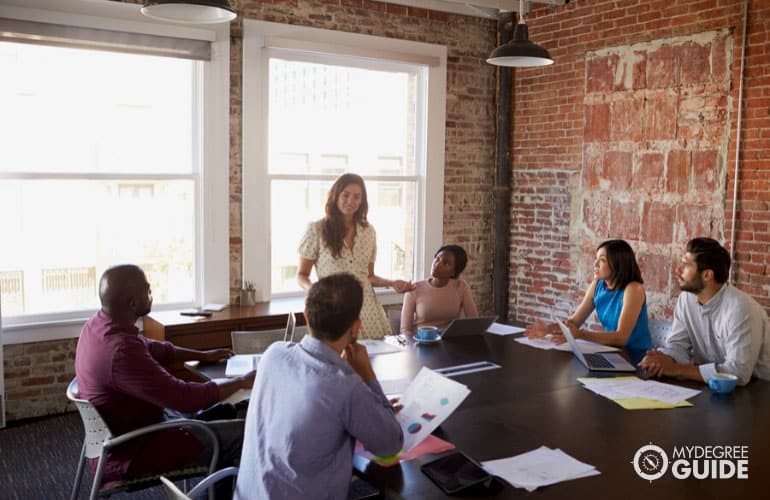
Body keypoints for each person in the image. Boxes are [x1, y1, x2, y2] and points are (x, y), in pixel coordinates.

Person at [75, 264, 254, 490]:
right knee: (244, 434)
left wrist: (203, 355)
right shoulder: (121, 352)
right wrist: (242, 382)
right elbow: (186, 398)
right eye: (147, 290)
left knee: (226, 412)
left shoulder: (97, 326)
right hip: (134, 451)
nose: (152, 294)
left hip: (127, 432)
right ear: (132, 303)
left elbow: (154, 348)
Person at [235, 273, 403, 500]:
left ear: (306, 315)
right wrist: (367, 376)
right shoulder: (346, 386)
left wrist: (368, 404)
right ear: (355, 328)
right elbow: (391, 443)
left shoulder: (273, 354)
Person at [297, 173, 414, 339]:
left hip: (368, 309)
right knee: (340, 359)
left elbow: (369, 276)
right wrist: (313, 292)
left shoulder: (369, 231)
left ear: (362, 201)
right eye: (346, 195)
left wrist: (392, 283)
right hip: (335, 307)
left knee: (376, 359)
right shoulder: (316, 230)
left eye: (357, 197)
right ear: (335, 196)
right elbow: (302, 275)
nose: (350, 201)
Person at [639, 237, 770, 385]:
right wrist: (660, 360)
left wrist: (677, 369)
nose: (678, 270)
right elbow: (678, 345)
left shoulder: (741, 309)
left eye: (686, 265)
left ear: (707, 275)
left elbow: (738, 373)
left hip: (757, 392)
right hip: (709, 386)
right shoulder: (686, 299)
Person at [526, 239, 652, 351]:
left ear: (618, 264)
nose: (595, 264)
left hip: (636, 357)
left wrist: (580, 335)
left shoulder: (633, 289)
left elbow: (621, 337)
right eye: (596, 258)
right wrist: (548, 329)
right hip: (611, 352)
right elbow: (574, 322)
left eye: (602, 260)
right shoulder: (598, 284)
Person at [400, 244, 478, 334]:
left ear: (454, 272)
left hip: (450, 343)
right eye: (437, 258)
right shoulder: (414, 289)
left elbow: (474, 322)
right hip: (422, 342)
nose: (437, 264)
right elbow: (405, 330)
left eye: (446, 263)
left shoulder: (461, 287)